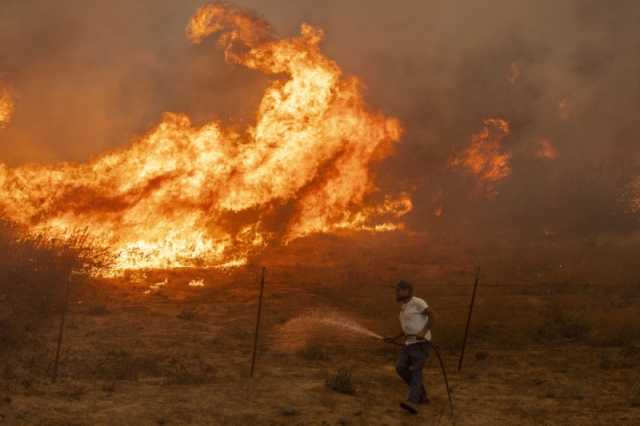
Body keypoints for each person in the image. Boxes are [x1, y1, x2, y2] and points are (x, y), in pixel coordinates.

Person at [384, 280, 434, 414]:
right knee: (400, 368)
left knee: (416, 370)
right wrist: (393, 338)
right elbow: (406, 330)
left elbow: (432, 315)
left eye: (399, 290)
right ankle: (421, 395)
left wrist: (423, 332)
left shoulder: (417, 302)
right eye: (396, 289)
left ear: (408, 291)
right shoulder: (403, 309)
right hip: (408, 343)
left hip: (421, 344)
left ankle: (413, 402)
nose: (397, 292)